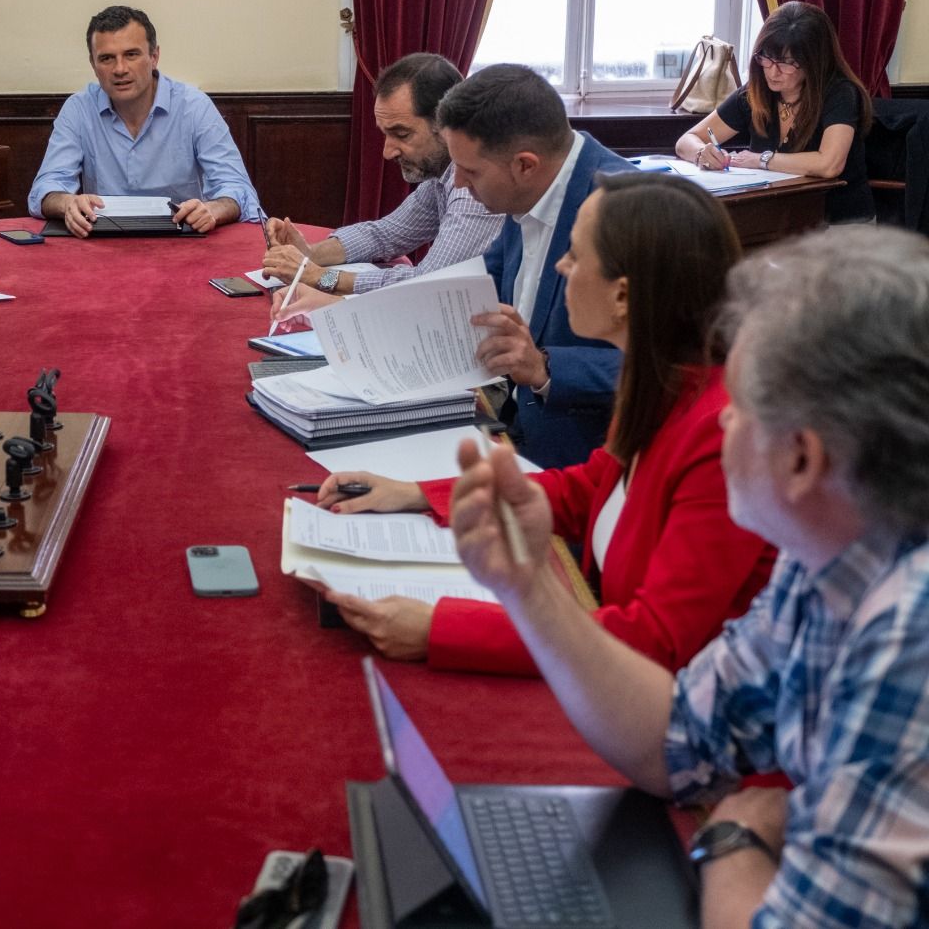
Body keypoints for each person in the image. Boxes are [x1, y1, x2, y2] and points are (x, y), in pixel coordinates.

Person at [447, 225, 929, 927]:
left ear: (803, 459)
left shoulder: (907, 632)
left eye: (743, 406)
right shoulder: (827, 557)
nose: (723, 417)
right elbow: (675, 744)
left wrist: (735, 840)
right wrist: (527, 587)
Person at [316, 174, 775, 676]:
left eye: (575, 257)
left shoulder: (722, 435)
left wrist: (440, 629)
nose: (560, 265)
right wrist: (419, 495)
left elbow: (653, 639)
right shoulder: (666, 380)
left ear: (623, 296)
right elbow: (591, 488)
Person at [442, 63, 634, 469]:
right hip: (513, 434)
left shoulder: (627, 210)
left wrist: (544, 367)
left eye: (470, 170)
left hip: (589, 463)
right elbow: (483, 281)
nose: (458, 183)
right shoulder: (523, 193)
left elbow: (678, 368)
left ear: (525, 165)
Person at [258, 53, 505, 307]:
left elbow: (427, 284)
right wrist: (310, 254)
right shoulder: (441, 173)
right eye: (386, 135)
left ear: (446, 124)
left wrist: (322, 277)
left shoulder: (474, 189)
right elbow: (385, 234)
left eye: (402, 134)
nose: (388, 152)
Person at [28, 5, 262, 237]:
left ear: (154, 57)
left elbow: (238, 189)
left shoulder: (194, 106)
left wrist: (213, 209)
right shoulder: (78, 109)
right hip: (104, 242)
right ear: (93, 65)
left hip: (182, 241)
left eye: (131, 55)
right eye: (107, 58)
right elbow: (44, 189)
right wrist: (67, 203)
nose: (120, 69)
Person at [676, 0, 873, 223]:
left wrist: (761, 160)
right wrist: (702, 153)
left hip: (840, 223)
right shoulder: (755, 93)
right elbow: (686, 140)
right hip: (774, 219)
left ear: (814, 62)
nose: (773, 71)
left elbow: (829, 164)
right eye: (766, 58)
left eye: (787, 63)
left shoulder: (840, 93)